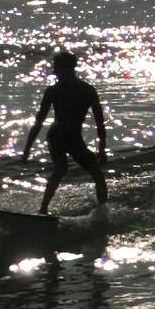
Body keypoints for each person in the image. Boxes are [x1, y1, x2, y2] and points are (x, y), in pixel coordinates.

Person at [22, 50, 108, 220]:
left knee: (97, 174)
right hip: (57, 137)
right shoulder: (53, 91)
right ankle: (43, 211)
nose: (55, 72)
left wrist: (102, 149)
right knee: (61, 168)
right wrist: (26, 150)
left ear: (70, 68)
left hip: (75, 140)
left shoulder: (88, 90)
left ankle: (103, 212)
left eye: (58, 68)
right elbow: (39, 122)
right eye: (55, 68)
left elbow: (99, 122)